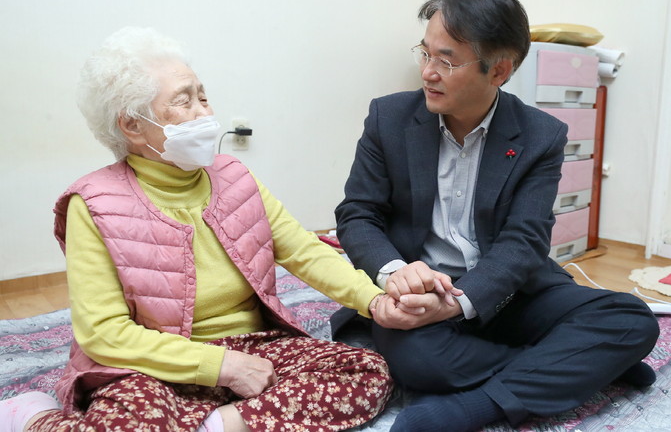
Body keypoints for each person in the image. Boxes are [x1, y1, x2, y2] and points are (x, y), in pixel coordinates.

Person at [0, 26, 418, 432]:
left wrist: (374, 300)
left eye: (203, 96)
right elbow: (104, 334)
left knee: (365, 372)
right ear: (132, 125)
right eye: (184, 101)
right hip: (152, 363)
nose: (206, 112)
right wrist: (223, 367)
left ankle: (218, 425)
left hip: (254, 346)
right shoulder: (93, 204)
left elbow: (304, 252)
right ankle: (33, 414)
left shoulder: (235, 177)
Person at [333, 0, 660, 432]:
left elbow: (524, 241)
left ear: (500, 71)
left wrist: (461, 303)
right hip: (421, 293)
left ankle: (478, 405)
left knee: (631, 319)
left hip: (507, 290)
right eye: (425, 53)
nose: (428, 72)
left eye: (446, 60)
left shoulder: (541, 134)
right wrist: (394, 272)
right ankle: (579, 367)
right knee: (421, 360)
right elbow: (358, 214)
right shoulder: (388, 118)